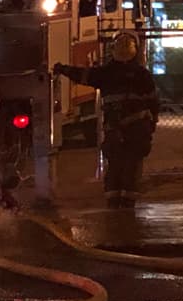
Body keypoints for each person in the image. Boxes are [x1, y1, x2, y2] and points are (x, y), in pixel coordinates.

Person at [54, 30, 159, 208]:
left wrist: (62, 69)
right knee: (132, 167)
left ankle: (114, 205)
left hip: (114, 127)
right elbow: (154, 103)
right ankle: (127, 207)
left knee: (115, 165)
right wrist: (151, 126)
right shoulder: (143, 75)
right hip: (137, 128)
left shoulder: (106, 73)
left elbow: (83, 75)